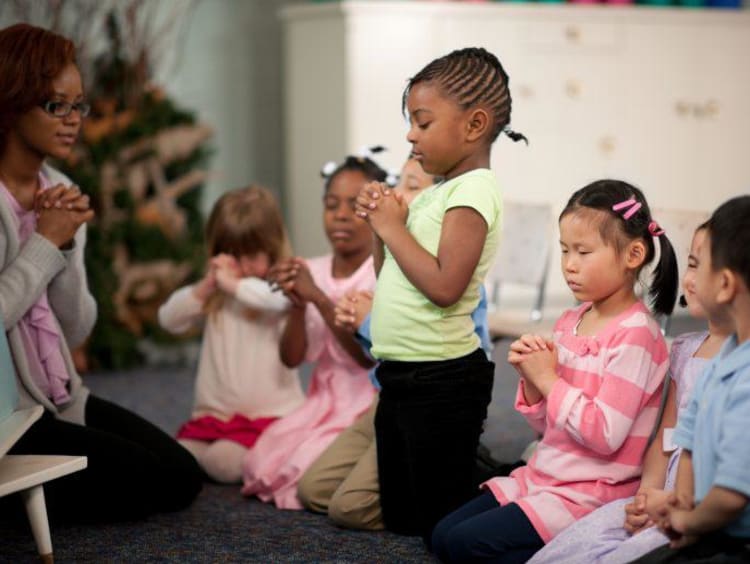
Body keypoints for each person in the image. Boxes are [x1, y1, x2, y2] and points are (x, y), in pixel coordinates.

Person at [0, 23, 202, 523]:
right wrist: (45, 242)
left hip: (60, 398)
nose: (73, 120)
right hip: (8, 416)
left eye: (79, 105)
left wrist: (64, 244)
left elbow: (75, 328)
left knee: (181, 474)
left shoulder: (61, 189)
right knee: (149, 482)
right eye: (56, 106)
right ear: (11, 102)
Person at [431, 179, 679, 563]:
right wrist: (533, 382)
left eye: (583, 251)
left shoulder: (637, 336)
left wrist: (548, 379)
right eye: (564, 250)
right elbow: (548, 429)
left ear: (633, 255)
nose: (569, 264)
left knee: (465, 545)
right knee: (443, 536)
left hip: (590, 492)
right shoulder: (571, 320)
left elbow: (604, 435)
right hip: (545, 474)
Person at [354, 47, 528, 537]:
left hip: (443, 379)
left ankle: (516, 486)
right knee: (404, 518)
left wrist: (394, 228)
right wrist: (380, 228)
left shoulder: (474, 192)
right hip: (400, 375)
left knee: (439, 521)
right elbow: (388, 273)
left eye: (423, 123)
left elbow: (446, 287)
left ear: (474, 125)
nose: (410, 134)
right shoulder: (434, 192)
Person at [298, 155, 498, 530]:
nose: (401, 196)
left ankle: (468, 472)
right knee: (313, 490)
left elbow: (448, 347)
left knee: (352, 508)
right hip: (386, 393)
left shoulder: (456, 273)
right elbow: (385, 338)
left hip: (427, 400)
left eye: (414, 187)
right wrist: (380, 229)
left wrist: (365, 321)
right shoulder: (398, 260)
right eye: (401, 183)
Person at [529, 223, 731, 564]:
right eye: (691, 263)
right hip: (663, 492)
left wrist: (673, 505)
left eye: (704, 267)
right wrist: (646, 495)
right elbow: (667, 439)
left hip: (701, 507)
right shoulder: (686, 349)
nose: (691, 278)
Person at [240, 152, 385, 509]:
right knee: (258, 463)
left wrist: (319, 298)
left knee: (306, 473)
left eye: (354, 205)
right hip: (322, 400)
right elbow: (291, 359)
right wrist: (297, 303)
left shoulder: (379, 274)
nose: (340, 214)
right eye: (331, 204)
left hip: (364, 402)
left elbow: (367, 359)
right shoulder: (312, 268)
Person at [158, 185, 305, 484]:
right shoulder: (217, 294)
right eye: (232, 255)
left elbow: (274, 300)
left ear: (272, 247)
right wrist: (206, 288)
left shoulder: (278, 291)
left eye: (251, 255)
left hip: (266, 417)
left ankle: (272, 452)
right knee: (176, 457)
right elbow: (168, 320)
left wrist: (232, 285)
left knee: (223, 464)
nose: (241, 265)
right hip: (214, 417)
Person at [633, 195, 750, 564]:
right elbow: (686, 437)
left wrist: (687, 519)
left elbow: (731, 495)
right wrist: (678, 502)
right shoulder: (723, 358)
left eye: (701, 264)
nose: (691, 277)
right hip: (700, 515)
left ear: (726, 284)